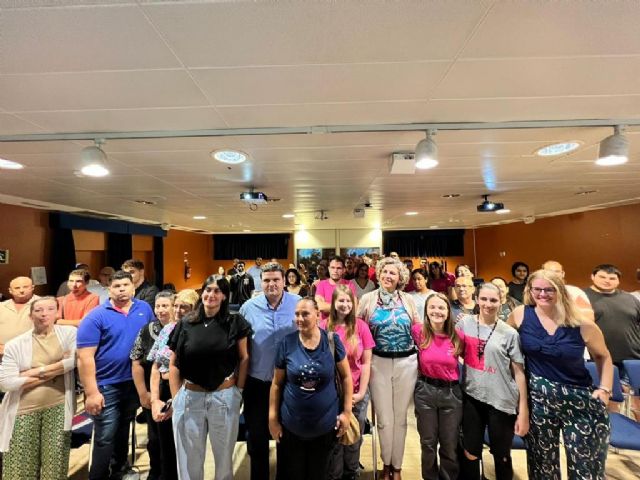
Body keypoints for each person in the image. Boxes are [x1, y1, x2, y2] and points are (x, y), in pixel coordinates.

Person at [508, 269, 612, 480]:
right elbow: (503, 344)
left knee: (586, 467)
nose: (542, 294)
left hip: (579, 401)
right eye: (537, 289)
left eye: (549, 289)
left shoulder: (581, 323)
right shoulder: (520, 314)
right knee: (542, 465)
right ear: (529, 290)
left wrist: (605, 389)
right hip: (539, 401)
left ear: (560, 291)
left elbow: (604, 356)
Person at [169, 275, 251, 480]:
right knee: (189, 459)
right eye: (208, 290)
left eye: (217, 291)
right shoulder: (186, 323)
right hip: (190, 397)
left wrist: (239, 391)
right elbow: (174, 363)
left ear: (224, 296)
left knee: (224, 459)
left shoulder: (235, 322)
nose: (211, 295)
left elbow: (244, 358)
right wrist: (176, 397)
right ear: (202, 293)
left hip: (223, 397)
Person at [77, 270, 155, 480]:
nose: (121, 290)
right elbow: (84, 358)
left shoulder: (144, 308)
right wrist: (91, 392)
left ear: (133, 288)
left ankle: (120, 470)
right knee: (105, 436)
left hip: (134, 383)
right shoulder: (96, 316)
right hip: (106, 385)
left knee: (123, 429)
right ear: (109, 290)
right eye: (117, 286)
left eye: (125, 285)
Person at [268, 297, 353, 480]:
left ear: (317, 315)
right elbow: (276, 383)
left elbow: (346, 377)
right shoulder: (287, 343)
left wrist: (347, 412)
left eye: (305, 314)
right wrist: (273, 419)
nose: (299, 318)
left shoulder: (331, 341)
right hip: (291, 429)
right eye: (297, 314)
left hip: (325, 430)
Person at [357, 256, 420, 480]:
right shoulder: (367, 299)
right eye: (384, 272)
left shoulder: (408, 300)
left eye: (392, 273)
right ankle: (386, 464)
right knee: (384, 419)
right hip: (378, 363)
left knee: (400, 417)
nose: (387, 276)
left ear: (400, 277)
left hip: (407, 363)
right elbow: (358, 329)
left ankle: (397, 466)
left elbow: (417, 328)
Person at [458, 282, 529, 480]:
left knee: (501, 455)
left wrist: (523, 409)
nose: (488, 304)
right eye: (483, 299)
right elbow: (455, 350)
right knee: (470, 451)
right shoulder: (464, 324)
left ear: (501, 301)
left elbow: (519, 373)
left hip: (501, 400)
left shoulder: (509, 333)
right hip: (472, 396)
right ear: (476, 299)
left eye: (493, 300)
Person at [0, 297, 76, 480]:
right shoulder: (15, 344)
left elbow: (73, 361)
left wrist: (33, 372)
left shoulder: (69, 334)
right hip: (22, 410)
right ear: (30, 316)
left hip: (58, 406)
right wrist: (55, 370)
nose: (44, 314)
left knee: (55, 467)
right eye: (38, 310)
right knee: (19, 468)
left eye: (50, 309)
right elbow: (6, 383)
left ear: (57, 313)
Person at [239, 263, 300, 480]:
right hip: (257, 383)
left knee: (287, 438)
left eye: (276, 280)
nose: (271, 284)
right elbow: (241, 346)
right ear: (260, 282)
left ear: (284, 281)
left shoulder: (298, 303)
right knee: (257, 438)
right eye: (266, 280)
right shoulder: (248, 308)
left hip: (289, 384)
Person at [322, 286, 375, 480]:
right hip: (332, 393)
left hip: (357, 391)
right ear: (333, 303)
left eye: (348, 301)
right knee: (335, 435)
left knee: (354, 436)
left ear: (354, 304)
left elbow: (367, 363)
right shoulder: (323, 326)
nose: (345, 305)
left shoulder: (361, 327)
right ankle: (334, 474)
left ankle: (351, 472)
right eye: (341, 301)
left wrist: (361, 393)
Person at [148, 289, 199, 480]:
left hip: (187, 392)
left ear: (194, 309)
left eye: (183, 307)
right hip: (163, 391)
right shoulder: (168, 329)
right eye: (175, 306)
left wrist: (175, 401)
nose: (177, 311)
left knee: (185, 450)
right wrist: (154, 400)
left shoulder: (198, 332)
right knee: (166, 448)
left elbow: (194, 371)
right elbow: (155, 367)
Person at [412, 293, 464, 480]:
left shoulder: (457, 336)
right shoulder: (418, 332)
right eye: (432, 307)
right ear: (426, 310)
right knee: (428, 443)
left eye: (441, 308)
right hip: (425, 391)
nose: (437, 311)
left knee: (449, 444)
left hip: (451, 393)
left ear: (448, 312)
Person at [130, 291, 175, 480]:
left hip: (177, 392)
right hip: (153, 391)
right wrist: (143, 393)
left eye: (165, 306)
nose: (161, 310)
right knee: (155, 439)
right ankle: (155, 472)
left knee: (173, 440)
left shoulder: (183, 328)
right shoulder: (146, 330)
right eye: (158, 306)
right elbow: (136, 362)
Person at [584, 264, 640, 414]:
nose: (607, 281)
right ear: (592, 277)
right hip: (599, 360)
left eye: (612, 278)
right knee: (605, 403)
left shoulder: (629, 298)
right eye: (602, 277)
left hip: (632, 357)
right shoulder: (582, 297)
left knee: (636, 405)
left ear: (618, 280)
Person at [0, 276, 38, 363]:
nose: (21, 290)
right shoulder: (1, 306)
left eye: (25, 287)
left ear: (32, 287)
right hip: (3, 356)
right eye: (17, 288)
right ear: (10, 290)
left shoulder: (43, 304)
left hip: (31, 355)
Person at [315, 257, 356, 321]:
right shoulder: (321, 284)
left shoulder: (350, 284)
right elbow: (321, 306)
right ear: (329, 269)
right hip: (326, 325)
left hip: (345, 324)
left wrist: (329, 307)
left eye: (338, 268)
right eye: (332, 267)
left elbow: (354, 307)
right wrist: (344, 307)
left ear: (344, 270)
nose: (335, 271)